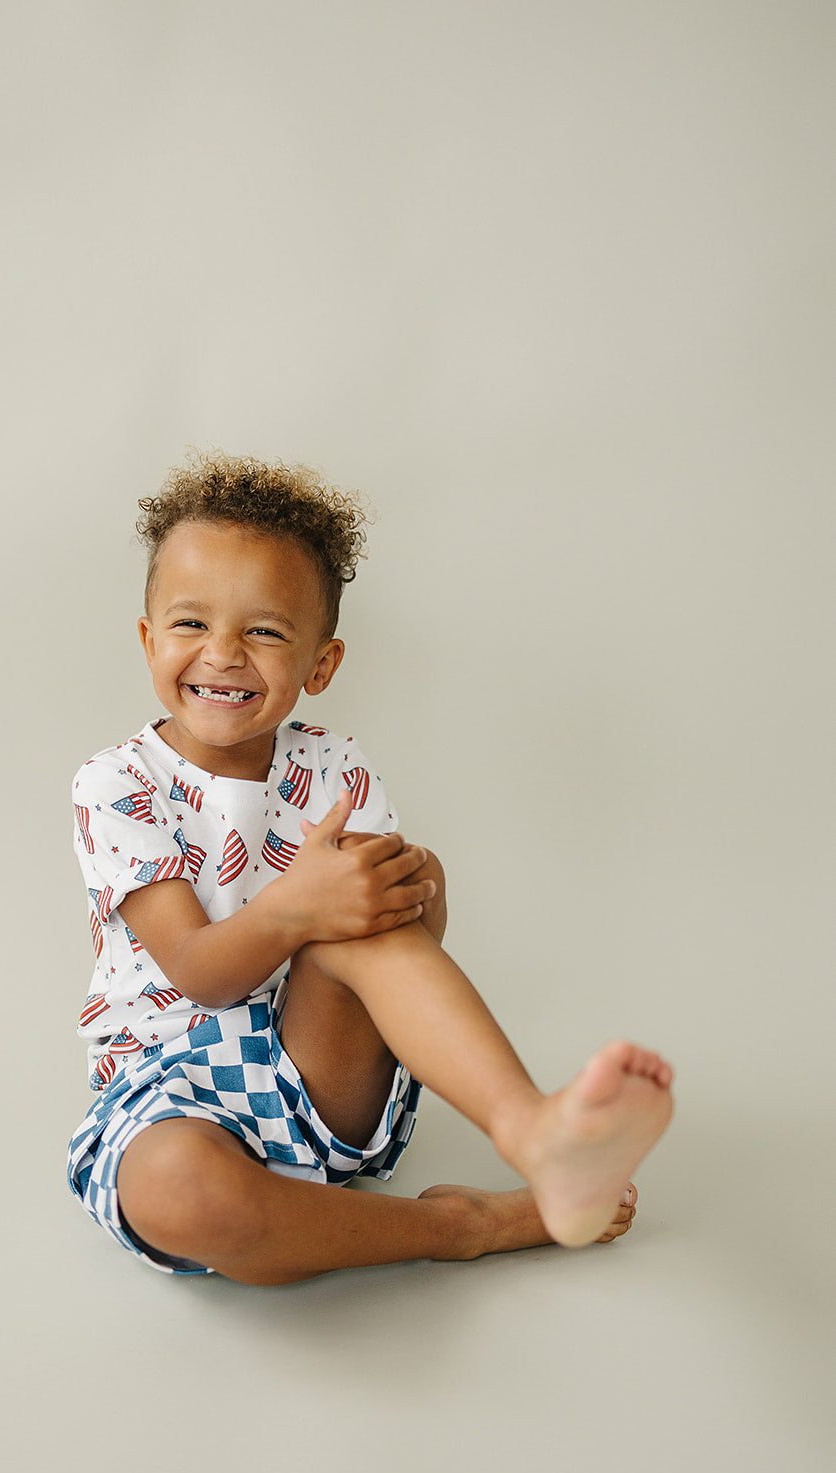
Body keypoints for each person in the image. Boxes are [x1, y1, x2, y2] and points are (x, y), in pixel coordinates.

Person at [67, 450, 673, 1285]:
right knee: (184, 1193)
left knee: (357, 913)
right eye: (189, 623)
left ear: (319, 664)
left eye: (264, 630)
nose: (223, 653)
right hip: (170, 1092)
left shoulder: (332, 770)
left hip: (319, 1072)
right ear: (147, 639)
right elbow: (200, 974)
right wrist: (298, 907)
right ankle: (459, 1226)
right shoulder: (119, 786)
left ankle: (534, 1133)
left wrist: (419, 893)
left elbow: (401, 957)